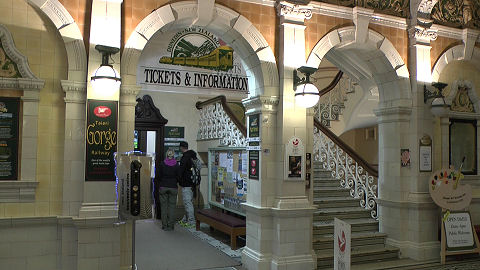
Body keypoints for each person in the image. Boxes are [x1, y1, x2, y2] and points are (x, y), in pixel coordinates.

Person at [156, 148, 179, 231]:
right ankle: (171, 225)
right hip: (173, 187)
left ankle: (164, 225)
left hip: (163, 186)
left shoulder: (162, 164)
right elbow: (178, 176)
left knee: (164, 207)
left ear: (167, 154)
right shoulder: (176, 165)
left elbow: (158, 176)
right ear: (173, 155)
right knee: (172, 207)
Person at [178, 141, 197, 228]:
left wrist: (179, 180)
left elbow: (181, 171)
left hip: (186, 184)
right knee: (188, 202)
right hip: (193, 184)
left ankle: (191, 221)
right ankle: (185, 219)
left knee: (187, 203)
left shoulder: (185, 158)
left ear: (182, 147)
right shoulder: (193, 156)